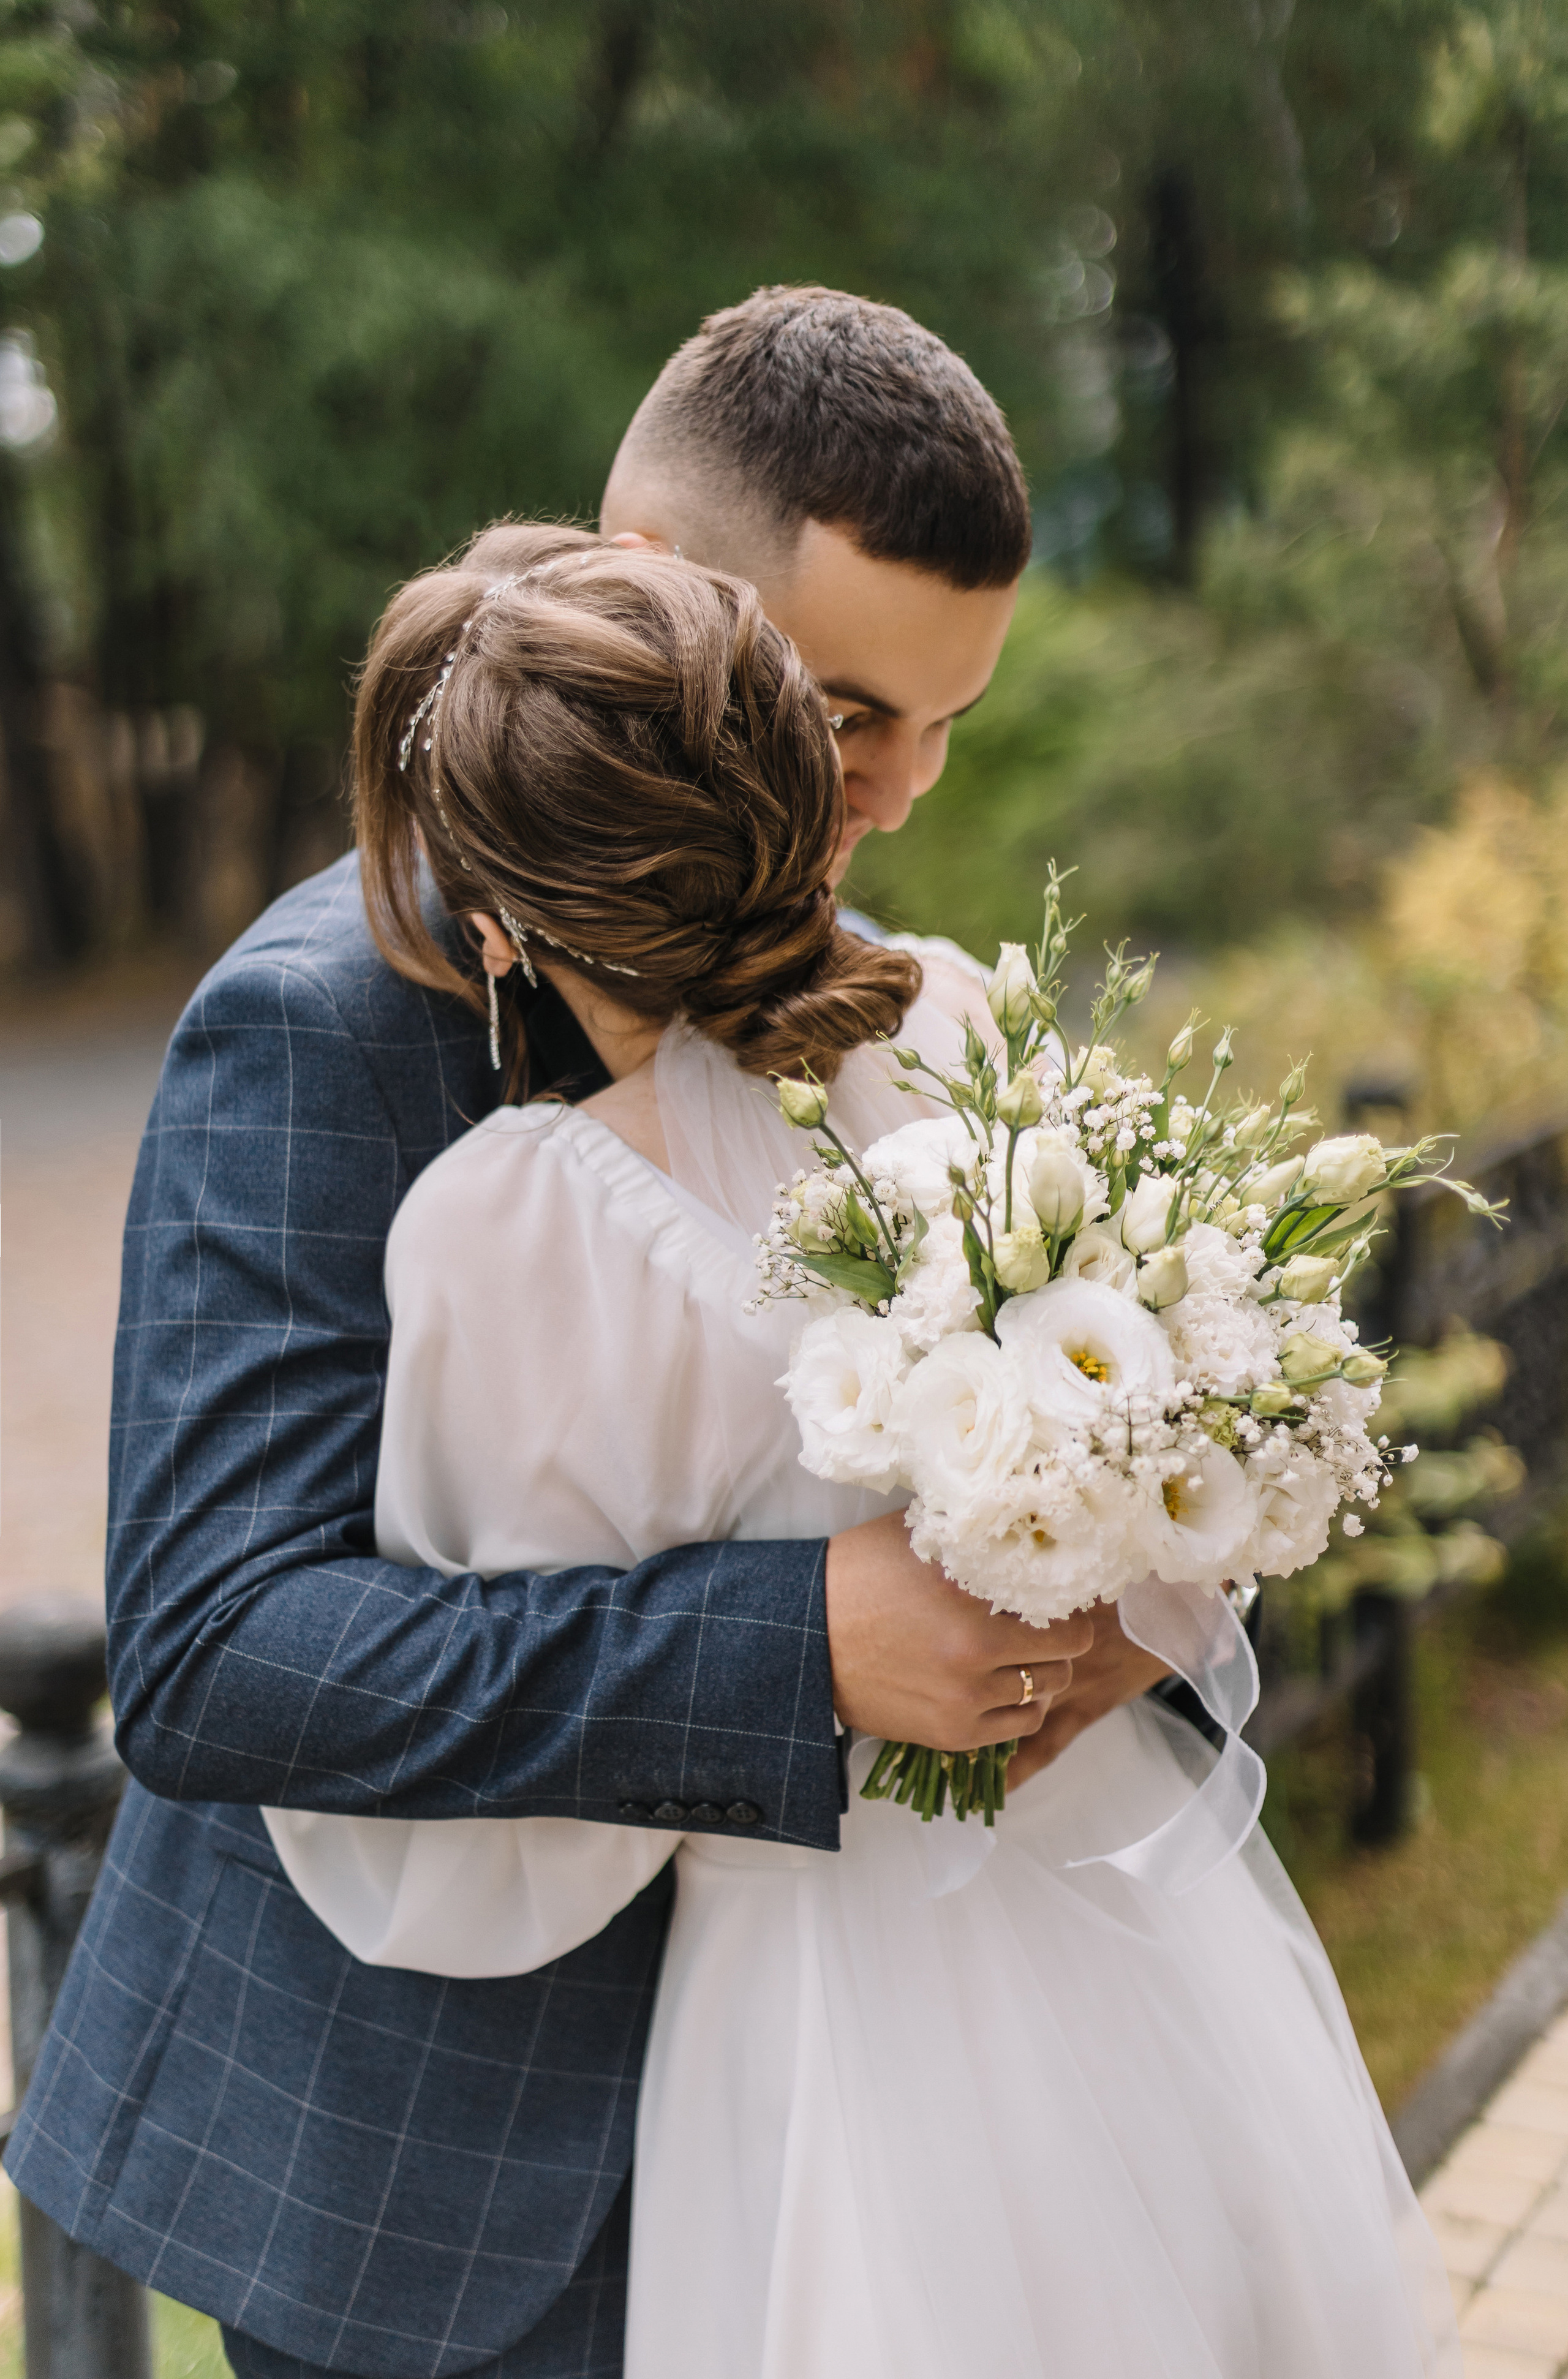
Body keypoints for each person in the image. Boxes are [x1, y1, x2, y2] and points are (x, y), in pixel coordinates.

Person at [4, 287, 1154, 2379]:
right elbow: (213, 1650)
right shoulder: (320, 1022)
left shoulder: (891, 1002)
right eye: (845, 714)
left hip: (860, 2092)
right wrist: (798, 1643)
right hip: (440, 2181)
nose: (897, 795)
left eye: (946, 723)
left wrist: (1125, 1576)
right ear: (642, 589)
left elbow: (1069, 1382)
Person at [270, 528, 1460, 2378]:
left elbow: (478, 1843)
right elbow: (1187, 1413)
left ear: (496, 927)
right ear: (802, 802)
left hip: (821, 1992)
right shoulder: (962, 1026)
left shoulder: (517, 1223)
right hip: (1126, 1902)